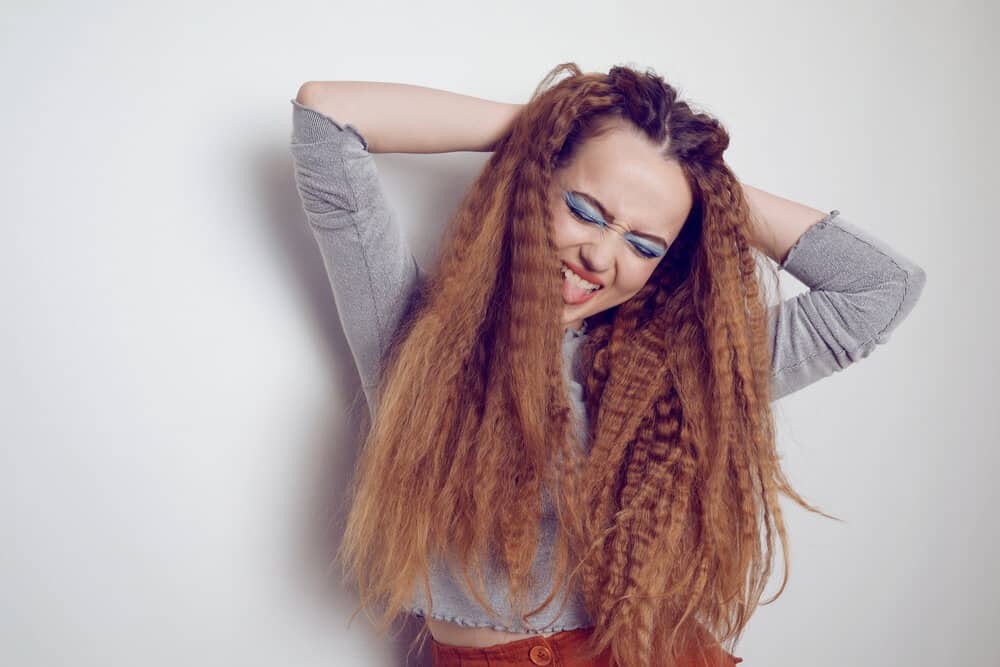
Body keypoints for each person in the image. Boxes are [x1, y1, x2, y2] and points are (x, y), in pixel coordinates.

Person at [288, 63, 926, 667]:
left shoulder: (680, 373)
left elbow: (881, 287)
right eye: (586, 210)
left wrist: (710, 194)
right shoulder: (413, 330)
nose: (601, 254)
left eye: (645, 243)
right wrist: (547, 128)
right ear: (535, 180)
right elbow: (328, 116)